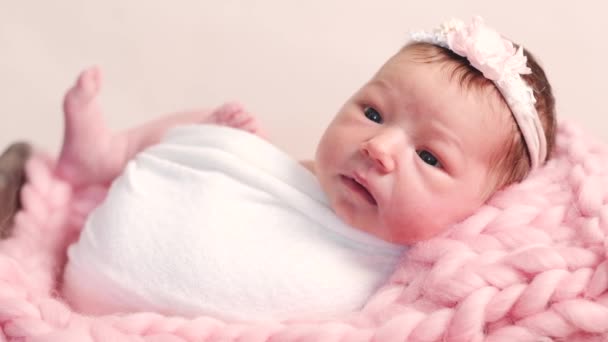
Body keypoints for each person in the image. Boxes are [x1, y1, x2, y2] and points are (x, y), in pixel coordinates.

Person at [60, 17, 556, 320]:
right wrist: (242, 149)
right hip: (133, 224)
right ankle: (105, 154)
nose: (378, 147)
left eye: (429, 157)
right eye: (373, 113)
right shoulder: (320, 180)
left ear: (484, 209)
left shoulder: (423, 284)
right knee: (212, 132)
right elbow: (278, 189)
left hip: (107, 281)